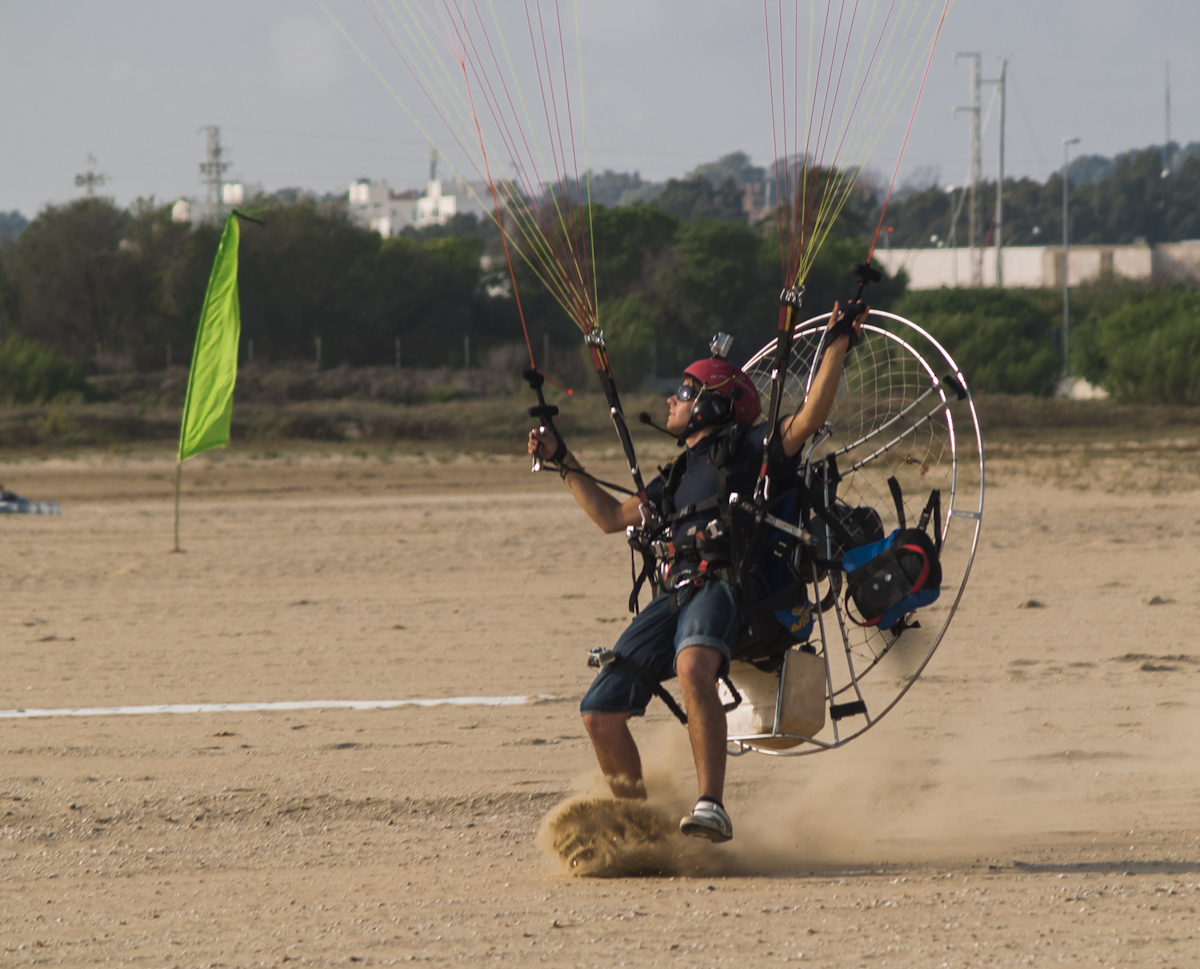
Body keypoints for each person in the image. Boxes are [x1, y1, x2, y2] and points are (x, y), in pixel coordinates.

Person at [527, 302, 867, 843]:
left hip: (729, 587)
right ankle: (636, 825)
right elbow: (613, 517)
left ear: (713, 406)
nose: (671, 399)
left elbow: (808, 418)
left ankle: (712, 805)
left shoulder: (751, 449)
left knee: (692, 665)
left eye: (683, 392)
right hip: (678, 592)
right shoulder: (677, 474)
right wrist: (563, 460)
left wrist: (837, 344)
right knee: (599, 709)